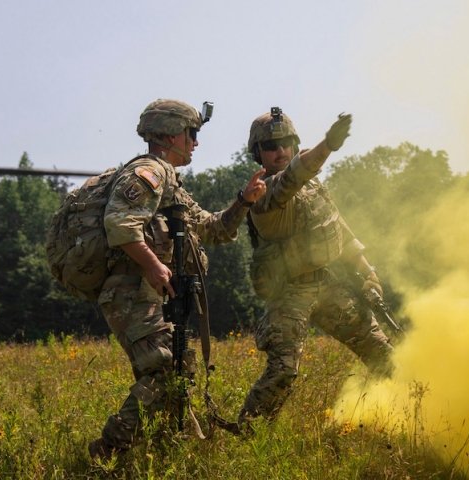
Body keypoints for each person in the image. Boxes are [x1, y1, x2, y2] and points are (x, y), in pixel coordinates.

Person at [88, 98, 267, 460]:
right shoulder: (149, 171)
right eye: (192, 133)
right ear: (171, 134)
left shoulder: (173, 185)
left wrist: (243, 201)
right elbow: (119, 224)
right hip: (132, 291)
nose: (196, 142)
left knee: (176, 374)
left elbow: (214, 229)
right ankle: (107, 451)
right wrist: (155, 266)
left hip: (153, 294)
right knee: (165, 369)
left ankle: (169, 450)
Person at [238, 107, 394, 429]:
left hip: (326, 284)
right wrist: (328, 145)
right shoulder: (263, 195)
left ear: (294, 144)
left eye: (285, 142)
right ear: (259, 155)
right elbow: (292, 177)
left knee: (382, 352)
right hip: (288, 293)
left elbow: (339, 229)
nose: (279, 150)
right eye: (270, 146)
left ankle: (411, 414)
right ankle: (248, 433)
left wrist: (367, 272)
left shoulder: (313, 185)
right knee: (283, 370)